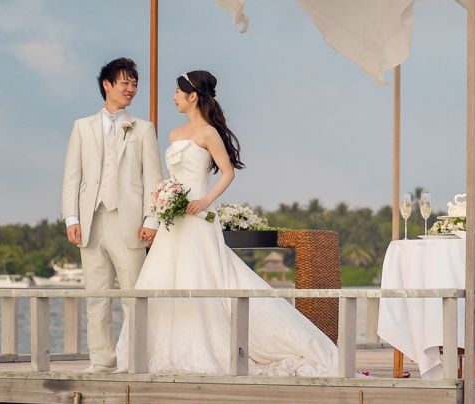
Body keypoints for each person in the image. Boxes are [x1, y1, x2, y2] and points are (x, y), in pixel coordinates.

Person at [116, 69, 337, 376]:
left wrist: (205, 200)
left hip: (198, 217)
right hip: (174, 220)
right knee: (164, 278)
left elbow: (228, 172)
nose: (174, 97)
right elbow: (173, 177)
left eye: (178, 92)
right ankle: (158, 349)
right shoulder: (174, 134)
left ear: (193, 96)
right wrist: (165, 199)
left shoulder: (209, 133)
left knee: (200, 275)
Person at [61, 58, 162, 372]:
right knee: (96, 296)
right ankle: (101, 360)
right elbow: (72, 176)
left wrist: (151, 220)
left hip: (129, 222)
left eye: (135, 84)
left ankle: (134, 358)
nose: (131, 89)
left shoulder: (143, 129)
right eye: (125, 83)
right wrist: (71, 218)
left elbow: (153, 179)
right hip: (91, 221)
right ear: (107, 85)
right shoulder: (82, 127)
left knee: (133, 295)